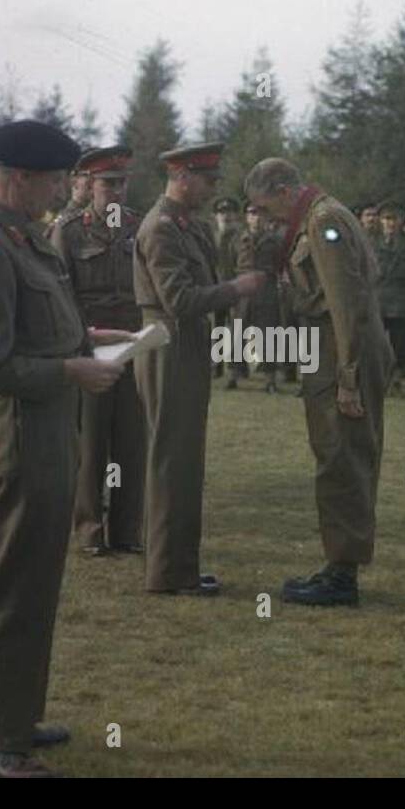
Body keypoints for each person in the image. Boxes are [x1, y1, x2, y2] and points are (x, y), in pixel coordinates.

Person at [0, 120, 128, 778]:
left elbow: (41, 325)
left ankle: (14, 720)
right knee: (12, 590)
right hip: (20, 441)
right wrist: (70, 371)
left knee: (37, 587)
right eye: (54, 180)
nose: (62, 192)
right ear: (19, 176)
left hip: (48, 437)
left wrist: (87, 335)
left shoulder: (22, 237)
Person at [244, 157, 394, 607]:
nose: (267, 217)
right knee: (342, 454)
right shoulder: (323, 215)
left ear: (286, 191)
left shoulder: (324, 223)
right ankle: (338, 565)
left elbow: (346, 302)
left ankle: (342, 575)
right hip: (333, 348)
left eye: (267, 206)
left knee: (341, 457)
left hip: (339, 350)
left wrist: (347, 377)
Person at [132, 143, 265, 595]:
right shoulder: (162, 229)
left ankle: (177, 567)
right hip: (169, 345)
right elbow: (181, 300)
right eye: (208, 180)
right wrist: (235, 287)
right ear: (182, 176)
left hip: (185, 346)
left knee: (184, 462)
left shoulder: (189, 225)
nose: (212, 189)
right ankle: (169, 573)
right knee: (173, 462)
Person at [50, 145, 146, 556]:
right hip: (89, 346)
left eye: (122, 182)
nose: (116, 191)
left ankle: (126, 531)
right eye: (108, 183)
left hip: (131, 347)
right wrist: (77, 343)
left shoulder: (139, 228)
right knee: (91, 445)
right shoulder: (69, 231)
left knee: (131, 441)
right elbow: (57, 292)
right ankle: (90, 530)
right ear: (90, 186)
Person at [236, 202, 287, 392]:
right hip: (242, 288)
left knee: (268, 334)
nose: (255, 217)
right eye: (251, 213)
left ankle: (270, 379)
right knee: (237, 332)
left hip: (266, 288)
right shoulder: (238, 238)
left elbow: (281, 263)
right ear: (246, 217)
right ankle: (234, 374)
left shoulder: (274, 240)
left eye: (259, 213)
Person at [373, 200, 405, 389]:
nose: (390, 223)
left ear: (401, 221)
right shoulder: (371, 243)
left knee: (401, 342)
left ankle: (396, 376)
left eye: (394, 219)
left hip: (403, 300)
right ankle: (380, 376)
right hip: (378, 298)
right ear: (380, 221)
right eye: (386, 219)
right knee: (377, 343)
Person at [211, 196, 248, 387]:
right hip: (214, 289)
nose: (226, 216)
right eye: (222, 212)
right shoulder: (211, 238)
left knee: (237, 331)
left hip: (235, 289)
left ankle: (236, 369)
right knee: (217, 330)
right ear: (216, 216)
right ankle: (215, 367)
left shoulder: (241, 238)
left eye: (230, 213)